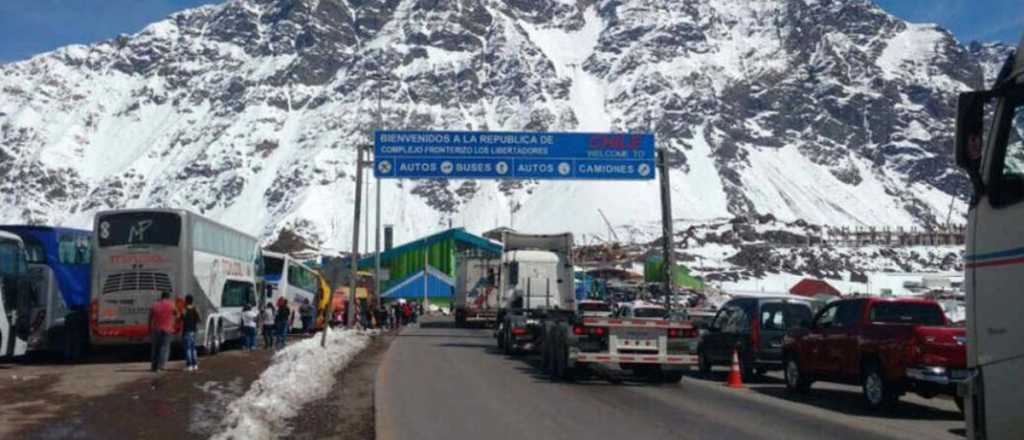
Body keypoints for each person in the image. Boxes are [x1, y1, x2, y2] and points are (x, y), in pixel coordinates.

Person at [148, 291, 179, 372]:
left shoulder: (154, 305)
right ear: (168, 297)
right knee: (164, 348)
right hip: (167, 329)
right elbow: (177, 314)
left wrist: (149, 329)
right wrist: (174, 320)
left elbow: (150, 318)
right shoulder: (171, 304)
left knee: (155, 348)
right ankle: (160, 366)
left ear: (161, 296)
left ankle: (153, 366)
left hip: (156, 329)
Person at [182, 294, 201, 372]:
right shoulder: (195, 309)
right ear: (192, 301)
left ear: (186, 301)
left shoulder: (185, 309)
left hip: (187, 331)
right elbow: (199, 319)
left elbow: (181, 318)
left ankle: (189, 365)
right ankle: (195, 365)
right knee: (193, 349)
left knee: (188, 349)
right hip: (194, 331)